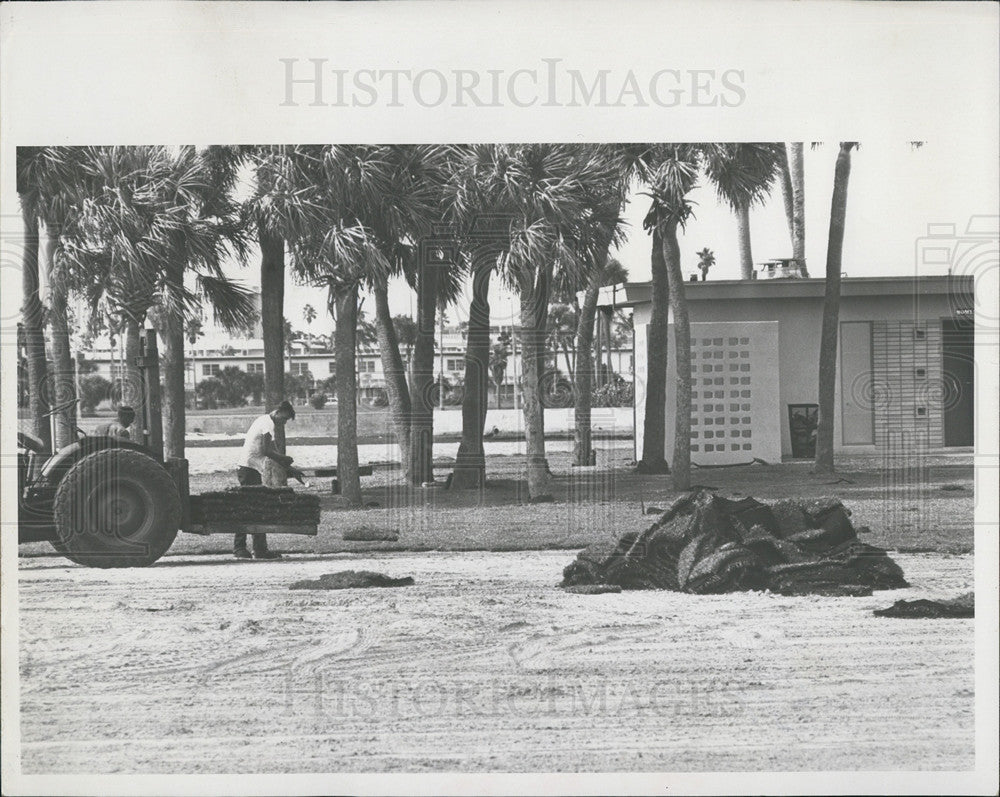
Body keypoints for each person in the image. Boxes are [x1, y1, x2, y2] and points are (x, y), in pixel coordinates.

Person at [234, 400, 300, 560]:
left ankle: (257, 548)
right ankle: (243, 548)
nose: (283, 423)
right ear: (279, 411)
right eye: (284, 419)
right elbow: (266, 450)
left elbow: (273, 449)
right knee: (250, 508)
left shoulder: (263, 420)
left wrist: (290, 468)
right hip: (249, 469)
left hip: (249, 468)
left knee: (254, 507)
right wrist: (284, 458)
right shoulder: (268, 423)